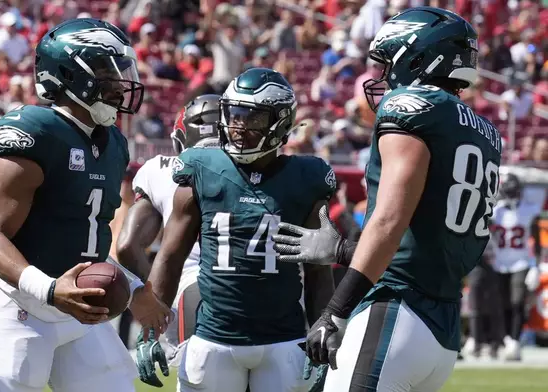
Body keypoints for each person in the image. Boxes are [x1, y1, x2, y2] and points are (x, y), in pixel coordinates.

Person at [272, 7, 503, 391]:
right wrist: (345, 251)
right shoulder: (485, 131)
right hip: (440, 329)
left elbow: (389, 220)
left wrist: (335, 311)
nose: (381, 77)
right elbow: (428, 237)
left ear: (417, 57)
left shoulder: (412, 106)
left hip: (396, 312)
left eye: (386, 64)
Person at [0, 19, 172, 392]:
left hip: (78, 310)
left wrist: (133, 287)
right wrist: (48, 290)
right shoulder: (35, 130)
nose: (118, 83)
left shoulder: (113, 143)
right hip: (20, 304)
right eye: (105, 71)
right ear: (68, 73)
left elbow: (85, 242)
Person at [148, 67, 336, 392]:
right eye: (234, 115)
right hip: (213, 338)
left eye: (253, 119)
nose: (239, 127)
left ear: (280, 123)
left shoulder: (307, 177)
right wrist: (151, 331)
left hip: (284, 339)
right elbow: (169, 256)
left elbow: (318, 268)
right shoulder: (202, 167)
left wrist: (324, 325)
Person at [117, 94, 221, 387]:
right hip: (259, 291)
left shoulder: (161, 169)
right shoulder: (262, 170)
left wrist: (154, 304)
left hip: (188, 290)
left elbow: (127, 246)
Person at [490, 172, 542, 360]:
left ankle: (515, 340)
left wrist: (535, 265)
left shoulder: (530, 210)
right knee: (503, 304)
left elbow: (536, 241)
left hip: (520, 262)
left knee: (517, 302)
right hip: (499, 263)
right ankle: (507, 340)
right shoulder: (496, 212)